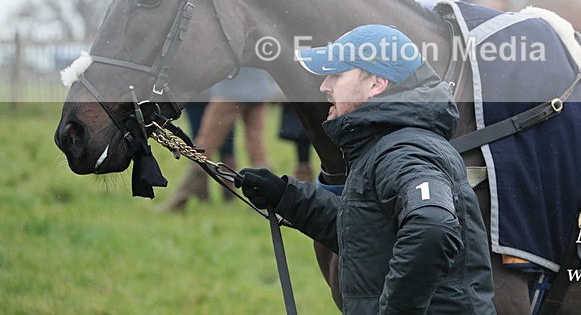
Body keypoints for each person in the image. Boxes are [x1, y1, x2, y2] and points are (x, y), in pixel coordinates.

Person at [238, 25, 495, 313]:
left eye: (337, 74)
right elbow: (367, 233)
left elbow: (433, 228)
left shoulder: (404, 151)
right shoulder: (385, 145)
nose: (325, 86)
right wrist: (288, 197)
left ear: (376, 84)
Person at [159, 67, 279, 211]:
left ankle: (180, 200)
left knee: (204, 145)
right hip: (259, 90)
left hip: (231, 91)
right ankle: (267, 201)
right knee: (257, 149)